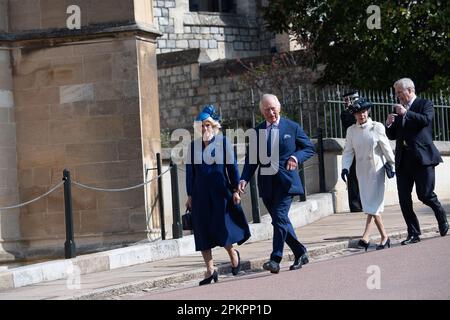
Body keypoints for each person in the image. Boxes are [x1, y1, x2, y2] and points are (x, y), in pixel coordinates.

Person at [238, 94, 315, 273]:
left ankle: (275, 258)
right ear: (261, 112)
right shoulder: (257, 132)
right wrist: (243, 179)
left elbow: (309, 148)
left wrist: (296, 157)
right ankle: (300, 252)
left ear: (279, 107)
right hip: (267, 184)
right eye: (267, 109)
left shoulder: (292, 127)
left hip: (286, 182)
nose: (271, 112)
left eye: (273, 108)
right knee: (281, 222)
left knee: (279, 219)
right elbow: (251, 160)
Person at [185, 105, 251, 285]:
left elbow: (232, 168)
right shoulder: (193, 147)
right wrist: (190, 195)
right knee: (202, 232)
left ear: (214, 127)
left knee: (221, 228)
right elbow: (190, 173)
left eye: (207, 125)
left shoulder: (223, 143)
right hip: (200, 195)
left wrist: (236, 190)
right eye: (201, 126)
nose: (204, 129)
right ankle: (210, 270)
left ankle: (232, 254)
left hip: (220, 192)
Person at [385, 78, 448, 244]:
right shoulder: (399, 109)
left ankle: (441, 216)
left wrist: (406, 113)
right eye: (396, 92)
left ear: (409, 90)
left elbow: (425, 121)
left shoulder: (424, 104)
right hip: (403, 160)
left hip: (422, 159)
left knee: (425, 195)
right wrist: (389, 125)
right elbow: (393, 135)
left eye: (399, 92)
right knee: (404, 199)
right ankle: (413, 233)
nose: (397, 96)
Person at [341, 98, 395, 250]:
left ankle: (384, 237)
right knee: (369, 204)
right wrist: (345, 167)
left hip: (376, 170)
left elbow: (386, 147)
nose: (361, 115)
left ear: (368, 112)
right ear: (354, 115)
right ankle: (366, 237)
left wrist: (393, 164)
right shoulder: (351, 131)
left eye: (363, 112)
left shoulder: (377, 127)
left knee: (373, 205)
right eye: (358, 113)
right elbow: (348, 152)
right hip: (362, 172)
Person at [341, 90, 363, 212]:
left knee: (365, 176)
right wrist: (351, 108)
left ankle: (366, 202)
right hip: (353, 147)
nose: (346, 102)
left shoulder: (363, 111)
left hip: (364, 147)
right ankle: (355, 205)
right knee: (353, 176)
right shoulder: (345, 113)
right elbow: (350, 124)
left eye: (348, 100)